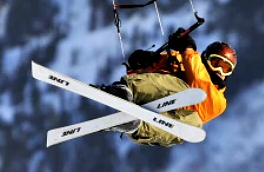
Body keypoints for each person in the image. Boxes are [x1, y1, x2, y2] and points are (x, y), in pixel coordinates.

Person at [96, 28, 237, 147]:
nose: (220, 70)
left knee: (194, 123)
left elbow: (200, 81)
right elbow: (160, 70)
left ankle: (135, 126)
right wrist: (147, 61)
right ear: (205, 58)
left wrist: (187, 49)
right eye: (216, 62)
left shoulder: (219, 102)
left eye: (226, 68)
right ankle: (125, 90)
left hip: (164, 116)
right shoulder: (184, 61)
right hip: (147, 94)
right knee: (180, 85)